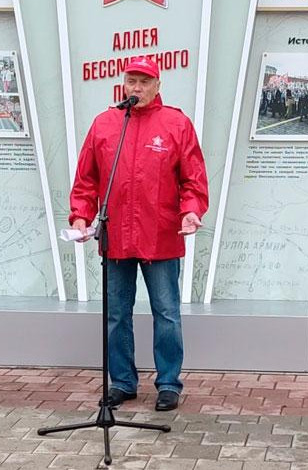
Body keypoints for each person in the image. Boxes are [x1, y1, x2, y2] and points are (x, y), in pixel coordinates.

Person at [69, 56, 208, 412]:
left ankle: (168, 383)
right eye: (131, 80)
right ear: (123, 83)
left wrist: (191, 210)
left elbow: (193, 178)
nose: (137, 88)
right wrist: (81, 216)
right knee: (117, 314)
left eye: (144, 82)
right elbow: (86, 179)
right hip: (115, 236)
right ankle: (122, 382)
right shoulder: (105, 124)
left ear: (157, 85)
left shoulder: (176, 124)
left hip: (161, 237)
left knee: (166, 313)